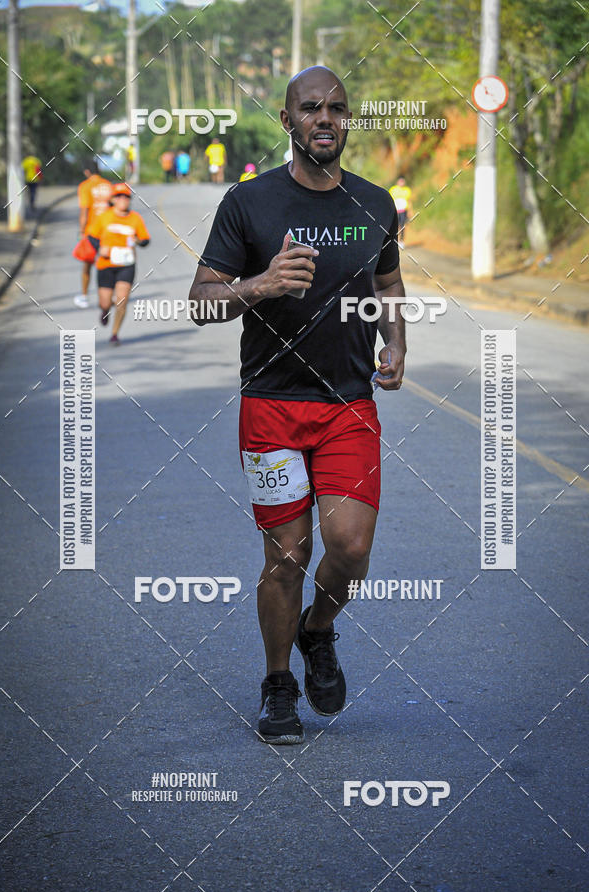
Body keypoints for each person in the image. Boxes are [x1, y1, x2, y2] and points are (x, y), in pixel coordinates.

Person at [189, 66, 406, 744]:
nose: (325, 118)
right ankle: (278, 684)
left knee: (351, 547)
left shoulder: (374, 203)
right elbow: (201, 300)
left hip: (347, 404)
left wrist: (396, 340)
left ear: (348, 121)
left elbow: (390, 280)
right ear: (287, 121)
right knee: (286, 557)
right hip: (273, 407)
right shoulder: (248, 203)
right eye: (311, 107)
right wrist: (261, 284)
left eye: (337, 108)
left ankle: (319, 630)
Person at [87, 183, 150, 345]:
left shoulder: (135, 218)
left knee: (122, 300)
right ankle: (105, 310)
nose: (123, 199)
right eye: (119, 196)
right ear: (113, 199)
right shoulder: (104, 217)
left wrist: (138, 241)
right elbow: (92, 236)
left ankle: (115, 334)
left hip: (126, 264)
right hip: (106, 264)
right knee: (105, 302)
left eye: (126, 197)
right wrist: (100, 249)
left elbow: (145, 240)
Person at [74, 160, 112, 308]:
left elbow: (85, 211)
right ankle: (109, 296)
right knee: (108, 264)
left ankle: (84, 296)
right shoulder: (108, 185)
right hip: (108, 231)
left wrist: (81, 231)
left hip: (92, 232)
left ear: (87, 172)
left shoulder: (85, 186)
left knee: (87, 265)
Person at [389, 175, 412, 247]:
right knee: (394, 227)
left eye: (403, 181)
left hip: (403, 211)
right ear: (397, 182)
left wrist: (410, 211)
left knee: (402, 226)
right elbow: (390, 201)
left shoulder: (407, 190)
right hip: (395, 211)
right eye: (400, 181)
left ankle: (401, 241)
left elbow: (409, 201)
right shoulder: (393, 190)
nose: (401, 183)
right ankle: (393, 241)